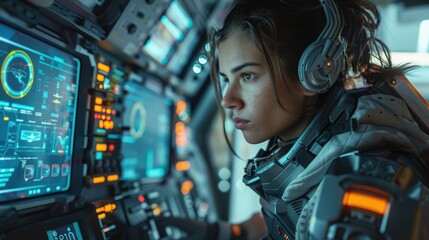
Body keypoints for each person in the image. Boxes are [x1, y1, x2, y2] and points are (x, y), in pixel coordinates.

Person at [160, 0, 429, 239]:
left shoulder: (356, 196)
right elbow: (289, 220)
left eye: (247, 76)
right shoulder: (326, 152)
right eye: (227, 79)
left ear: (313, 74)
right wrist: (224, 233)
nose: (227, 99)